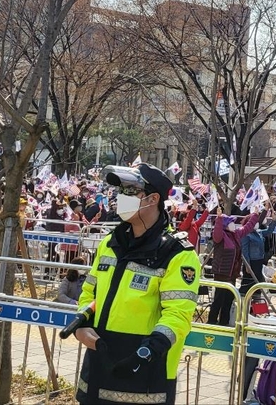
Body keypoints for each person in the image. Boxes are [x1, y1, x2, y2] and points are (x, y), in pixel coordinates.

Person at [73, 163, 200, 405]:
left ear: (153, 199)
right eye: (120, 190)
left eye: (130, 191)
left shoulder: (178, 254)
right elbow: (90, 291)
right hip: (98, 366)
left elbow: (178, 316)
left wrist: (148, 351)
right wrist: (82, 323)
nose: (121, 197)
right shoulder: (110, 243)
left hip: (145, 372)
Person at [208, 207, 261, 325]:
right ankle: (211, 322)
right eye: (231, 222)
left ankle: (224, 323)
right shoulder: (220, 236)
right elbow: (217, 232)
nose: (233, 224)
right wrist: (219, 219)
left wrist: (255, 215)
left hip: (232, 273)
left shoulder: (235, 234)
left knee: (228, 299)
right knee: (219, 299)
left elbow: (247, 228)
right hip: (222, 273)